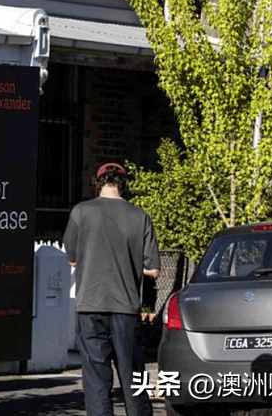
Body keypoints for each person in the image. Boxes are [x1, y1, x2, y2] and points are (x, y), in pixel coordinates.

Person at [63, 163, 160, 416]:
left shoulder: (81, 212)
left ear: (97, 183)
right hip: (126, 307)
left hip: (90, 305)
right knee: (133, 377)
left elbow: (71, 258)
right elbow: (153, 270)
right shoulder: (140, 217)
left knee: (96, 380)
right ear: (123, 184)